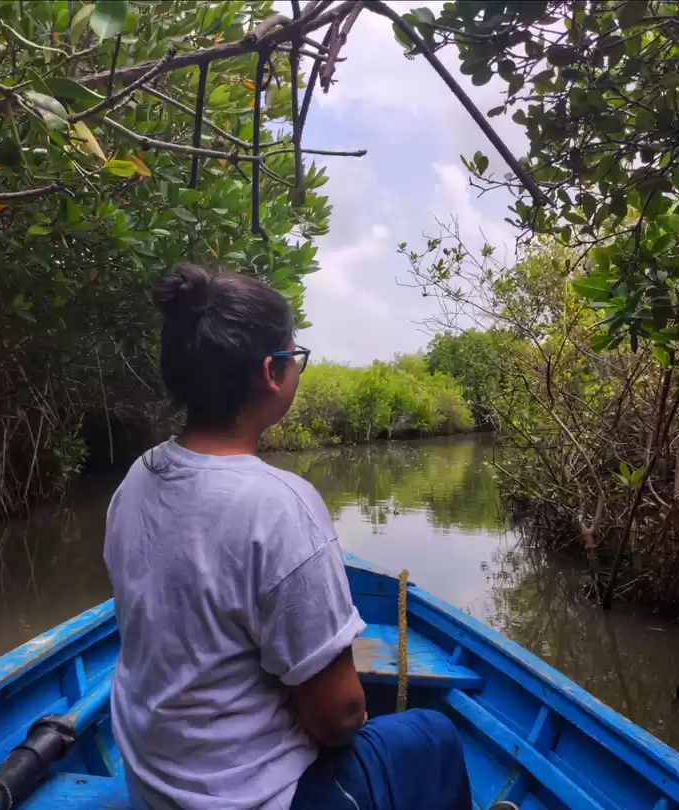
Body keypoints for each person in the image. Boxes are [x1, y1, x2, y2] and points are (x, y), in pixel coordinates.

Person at [103, 264, 472, 810]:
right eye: (295, 357)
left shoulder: (137, 477)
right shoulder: (280, 504)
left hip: (154, 785)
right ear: (273, 373)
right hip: (254, 799)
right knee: (433, 736)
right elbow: (339, 718)